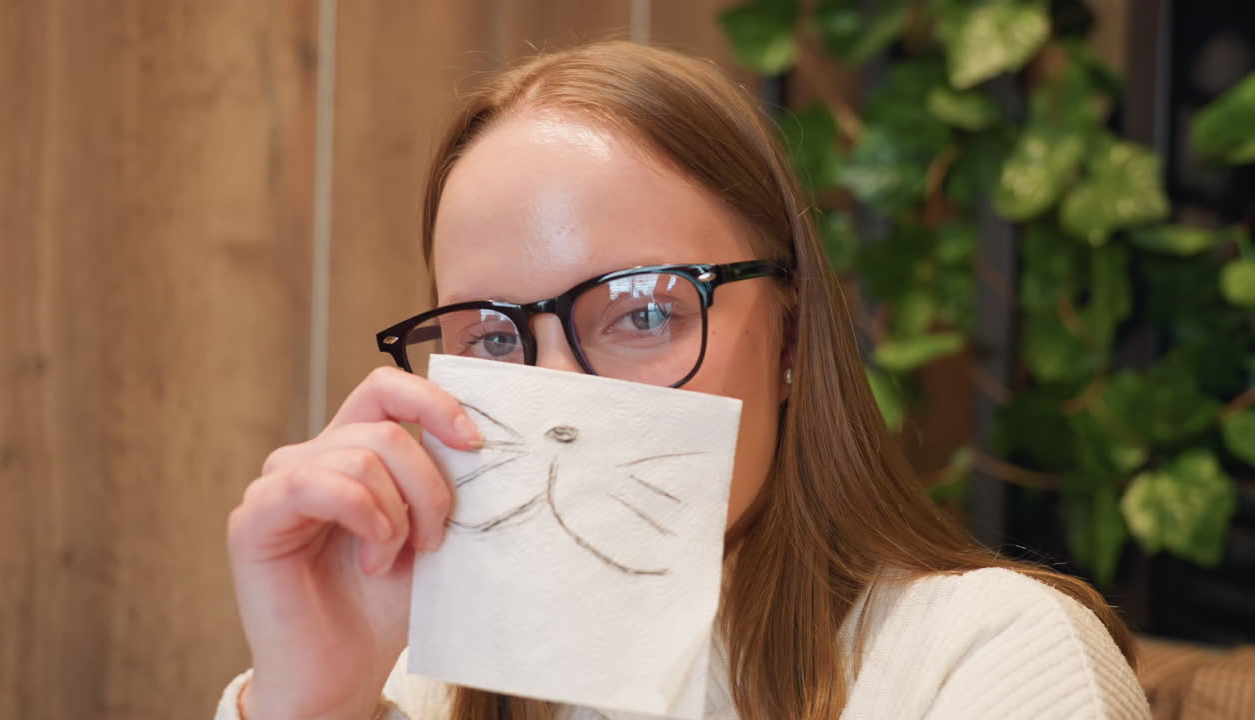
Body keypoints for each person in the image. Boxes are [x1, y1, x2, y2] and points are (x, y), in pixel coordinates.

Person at [217, 40, 1151, 720]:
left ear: (790, 336)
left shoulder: (988, 660)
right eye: (495, 341)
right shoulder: (413, 676)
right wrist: (313, 703)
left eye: (644, 315)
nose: (560, 400)